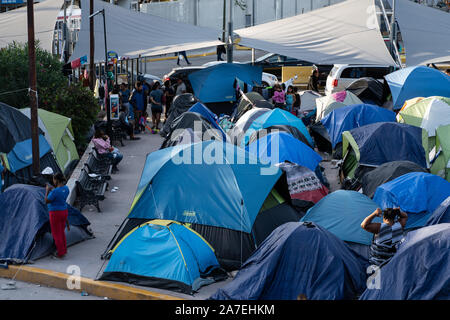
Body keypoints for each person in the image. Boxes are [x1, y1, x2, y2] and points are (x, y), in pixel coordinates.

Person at [45, 173, 70, 259]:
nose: (53, 181)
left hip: (55, 213)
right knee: (61, 232)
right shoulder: (66, 188)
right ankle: (64, 249)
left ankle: (60, 253)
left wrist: (47, 190)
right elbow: (59, 194)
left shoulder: (54, 191)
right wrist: (53, 189)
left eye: (54, 179)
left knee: (56, 234)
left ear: (57, 180)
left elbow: (47, 201)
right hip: (64, 211)